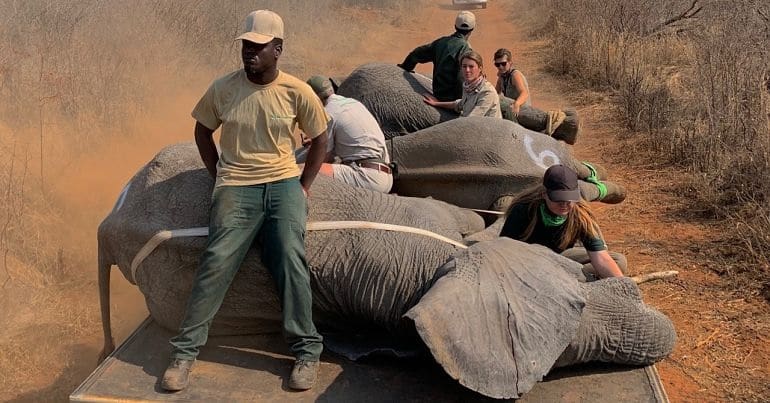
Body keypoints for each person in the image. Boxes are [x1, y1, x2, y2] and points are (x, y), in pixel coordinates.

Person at [161, 10, 328, 392]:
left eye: (258, 46)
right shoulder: (223, 88)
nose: (249, 53)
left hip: (283, 181)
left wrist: (303, 186)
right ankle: (184, 353)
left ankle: (306, 351)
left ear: (278, 49)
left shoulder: (297, 91)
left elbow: (320, 138)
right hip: (236, 184)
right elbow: (202, 132)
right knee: (217, 260)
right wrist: (218, 174)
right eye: (246, 46)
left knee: (289, 255)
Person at [500, 164, 626, 279]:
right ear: (544, 194)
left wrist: (625, 289)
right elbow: (505, 252)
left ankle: (570, 280)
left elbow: (601, 258)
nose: (564, 205)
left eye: (569, 200)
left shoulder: (581, 214)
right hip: (528, 262)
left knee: (618, 262)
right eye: (559, 200)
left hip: (561, 259)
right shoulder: (523, 209)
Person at [295, 75, 393, 193]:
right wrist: (315, 141)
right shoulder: (353, 103)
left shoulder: (328, 113)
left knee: (302, 171)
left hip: (365, 176)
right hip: (387, 176)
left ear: (314, 98)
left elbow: (322, 158)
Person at [397, 11, 475, 102]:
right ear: (472, 29)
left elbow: (416, 54)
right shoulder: (466, 48)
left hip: (438, 93)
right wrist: (460, 102)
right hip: (452, 98)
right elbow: (461, 77)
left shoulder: (440, 42)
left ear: (455, 26)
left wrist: (406, 67)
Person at [423, 50, 502, 118]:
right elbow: (460, 104)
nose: (467, 70)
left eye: (471, 66)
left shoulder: (487, 92)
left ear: (480, 68)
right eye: (464, 66)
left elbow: (471, 120)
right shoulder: (468, 86)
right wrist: (437, 103)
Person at [492, 48, 530, 120]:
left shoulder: (515, 75)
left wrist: (517, 104)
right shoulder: (502, 76)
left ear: (510, 63)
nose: (500, 67)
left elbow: (524, 93)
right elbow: (495, 93)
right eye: (497, 64)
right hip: (511, 109)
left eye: (503, 64)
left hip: (521, 110)